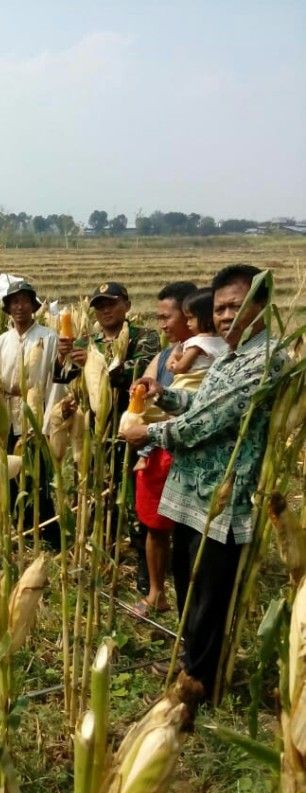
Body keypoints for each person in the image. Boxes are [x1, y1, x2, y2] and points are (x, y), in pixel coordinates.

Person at [121, 264, 288, 699]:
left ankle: (202, 681)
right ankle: (189, 660)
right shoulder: (231, 354)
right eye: (220, 308)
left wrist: (147, 432)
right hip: (190, 493)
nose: (227, 315)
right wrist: (165, 395)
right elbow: (202, 404)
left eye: (236, 305)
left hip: (224, 499)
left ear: (261, 304)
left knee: (211, 594)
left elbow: (205, 424)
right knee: (189, 583)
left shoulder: (265, 360)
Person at [55, 282, 159, 587]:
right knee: (94, 493)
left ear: (126, 305)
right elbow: (62, 379)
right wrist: (63, 358)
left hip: (131, 430)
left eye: (111, 303)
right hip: (93, 432)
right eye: (100, 305)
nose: (105, 310)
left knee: (132, 498)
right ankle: (102, 554)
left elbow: (138, 374)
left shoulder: (145, 337)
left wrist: (98, 366)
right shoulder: (88, 340)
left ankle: (144, 565)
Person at [132, 281, 198, 618]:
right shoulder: (161, 357)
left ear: (189, 315)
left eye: (165, 317)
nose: (161, 324)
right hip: (155, 452)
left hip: (187, 454)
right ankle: (156, 592)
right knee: (154, 527)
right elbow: (141, 397)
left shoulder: (210, 356)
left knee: (188, 537)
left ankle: (190, 608)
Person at [0, 280, 59, 547]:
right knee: (10, 474)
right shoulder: (1, 341)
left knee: (37, 474)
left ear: (33, 305)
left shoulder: (48, 337)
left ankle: (46, 531)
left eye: (24, 301)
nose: (19, 307)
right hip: (7, 415)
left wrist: (49, 420)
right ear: (7, 308)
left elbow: (54, 380)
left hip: (36, 415)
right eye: (13, 302)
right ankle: (19, 528)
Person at [165, 289, 228, 388]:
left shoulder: (197, 342)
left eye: (190, 318)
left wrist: (173, 359)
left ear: (206, 318)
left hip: (188, 387)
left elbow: (180, 368)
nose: (187, 323)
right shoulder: (224, 340)